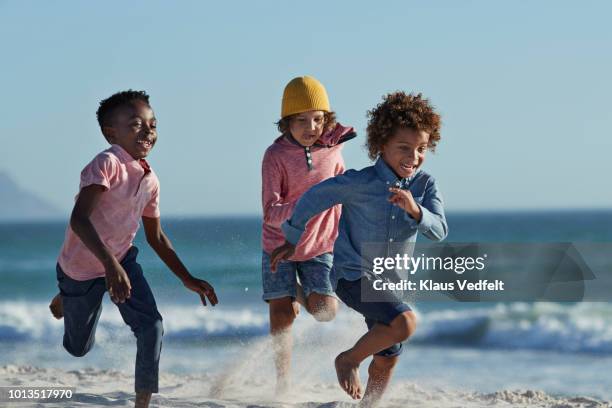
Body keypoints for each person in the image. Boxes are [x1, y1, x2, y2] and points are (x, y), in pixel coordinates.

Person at [271, 91, 447, 406]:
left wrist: (416, 211)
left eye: (421, 149)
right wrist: (292, 238)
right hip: (352, 277)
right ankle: (348, 360)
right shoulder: (359, 183)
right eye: (404, 148)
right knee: (404, 323)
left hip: (389, 285)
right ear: (382, 145)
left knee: (388, 357)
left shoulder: (425, 186)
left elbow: (439, 231)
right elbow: (314, 198)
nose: (414, 157)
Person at [48, 90, 218, 408]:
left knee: (151, 326)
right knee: (78, 349)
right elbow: (79, 219)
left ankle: (142, 402)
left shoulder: (150, 179)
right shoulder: (106, 163)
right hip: (81, 269)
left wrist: (186, 277)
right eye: (137, 124)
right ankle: (67, 297)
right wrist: (110, 266)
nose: (148, 131)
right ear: (112, 132)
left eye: (153, 124)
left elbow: (156, 237)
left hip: (123, 259)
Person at [261, 76, 356, 394]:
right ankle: (282, 382)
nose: (310, 127)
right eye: (300, 120)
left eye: (317, 119)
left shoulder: (334, 152)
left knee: (326, 311)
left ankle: (298, 293)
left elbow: (344, 194)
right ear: (286, 122)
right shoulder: (275, 156)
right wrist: (305, 205)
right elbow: (271, 210)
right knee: (282, 315)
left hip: (320, 245)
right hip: (279, 244)